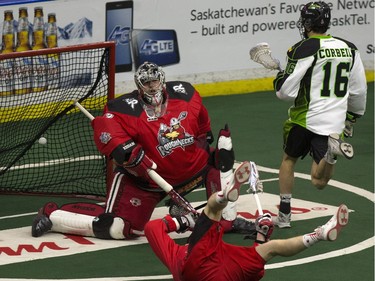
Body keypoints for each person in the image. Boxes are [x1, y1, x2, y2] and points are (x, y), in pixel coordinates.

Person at [31, 62, 257, 239]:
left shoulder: (185, 94)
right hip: (146, 182)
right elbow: (104, 131)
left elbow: (203, 126)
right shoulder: (122, 108)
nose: (152, 86)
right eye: (147, 83)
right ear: (139, 86)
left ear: (162, 81)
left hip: (193, 172)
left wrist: (206, 141)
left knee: (223, 155)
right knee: (117, 228)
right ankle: (53, 215)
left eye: (154, 81)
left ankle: (226, 219)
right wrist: (126, 151)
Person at [144, 161, 349, 281]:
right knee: (213, 209)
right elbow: (153, 227)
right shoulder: (181, 256)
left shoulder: (177, 256)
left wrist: (260, 236)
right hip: (207, 267)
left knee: (269, 247)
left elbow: (151, 228)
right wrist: (183, 222)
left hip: (209, 272)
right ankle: (225, 195)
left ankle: (320, 233)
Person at [273, 1, 367, 228]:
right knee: (319, 180)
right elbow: (359, 90)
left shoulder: (304, 47)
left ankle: (284, 215)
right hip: (333, 122)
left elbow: (285, 92)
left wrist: (279, 78)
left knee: (289, 160)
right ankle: (331, 155)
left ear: (307, 23)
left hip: (304, 117)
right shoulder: (349, 48)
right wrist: (352, 117)